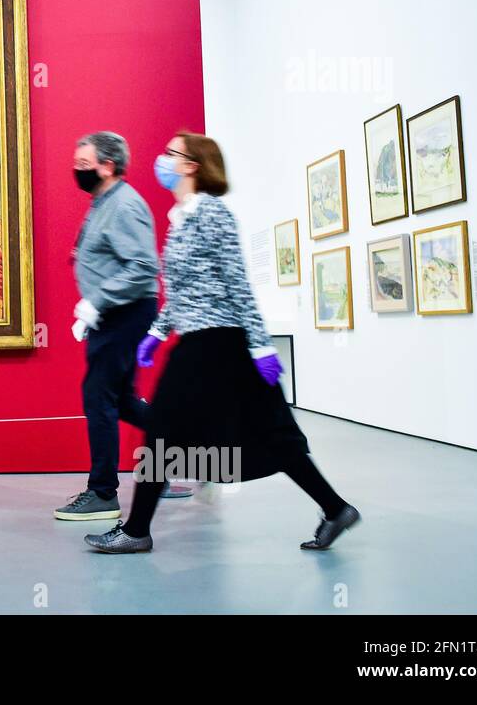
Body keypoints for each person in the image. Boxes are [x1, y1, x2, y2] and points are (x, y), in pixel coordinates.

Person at [84, 131, 360, 552]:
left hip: (219, 343)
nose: (162, 159)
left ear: (191, 165)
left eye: (169, 153)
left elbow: (237, 283)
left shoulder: (213, 214)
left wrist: (261, 344)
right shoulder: (182, 218)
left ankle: (136, 531)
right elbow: (183, 291)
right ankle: (336, 508)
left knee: (166, 432)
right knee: (268, 435)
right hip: (199, 340)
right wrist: (157, 334)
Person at [54, 132, 160, 521]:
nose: (77, 171)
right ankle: (196, 450)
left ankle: (103, 493)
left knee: (98, 396)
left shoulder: (124, 205)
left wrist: (95, 302)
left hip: (124, 314)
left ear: (108, 166)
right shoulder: (103, 202)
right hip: (112, 313)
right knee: (122, 399)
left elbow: (145, 266)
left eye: (84, 165)